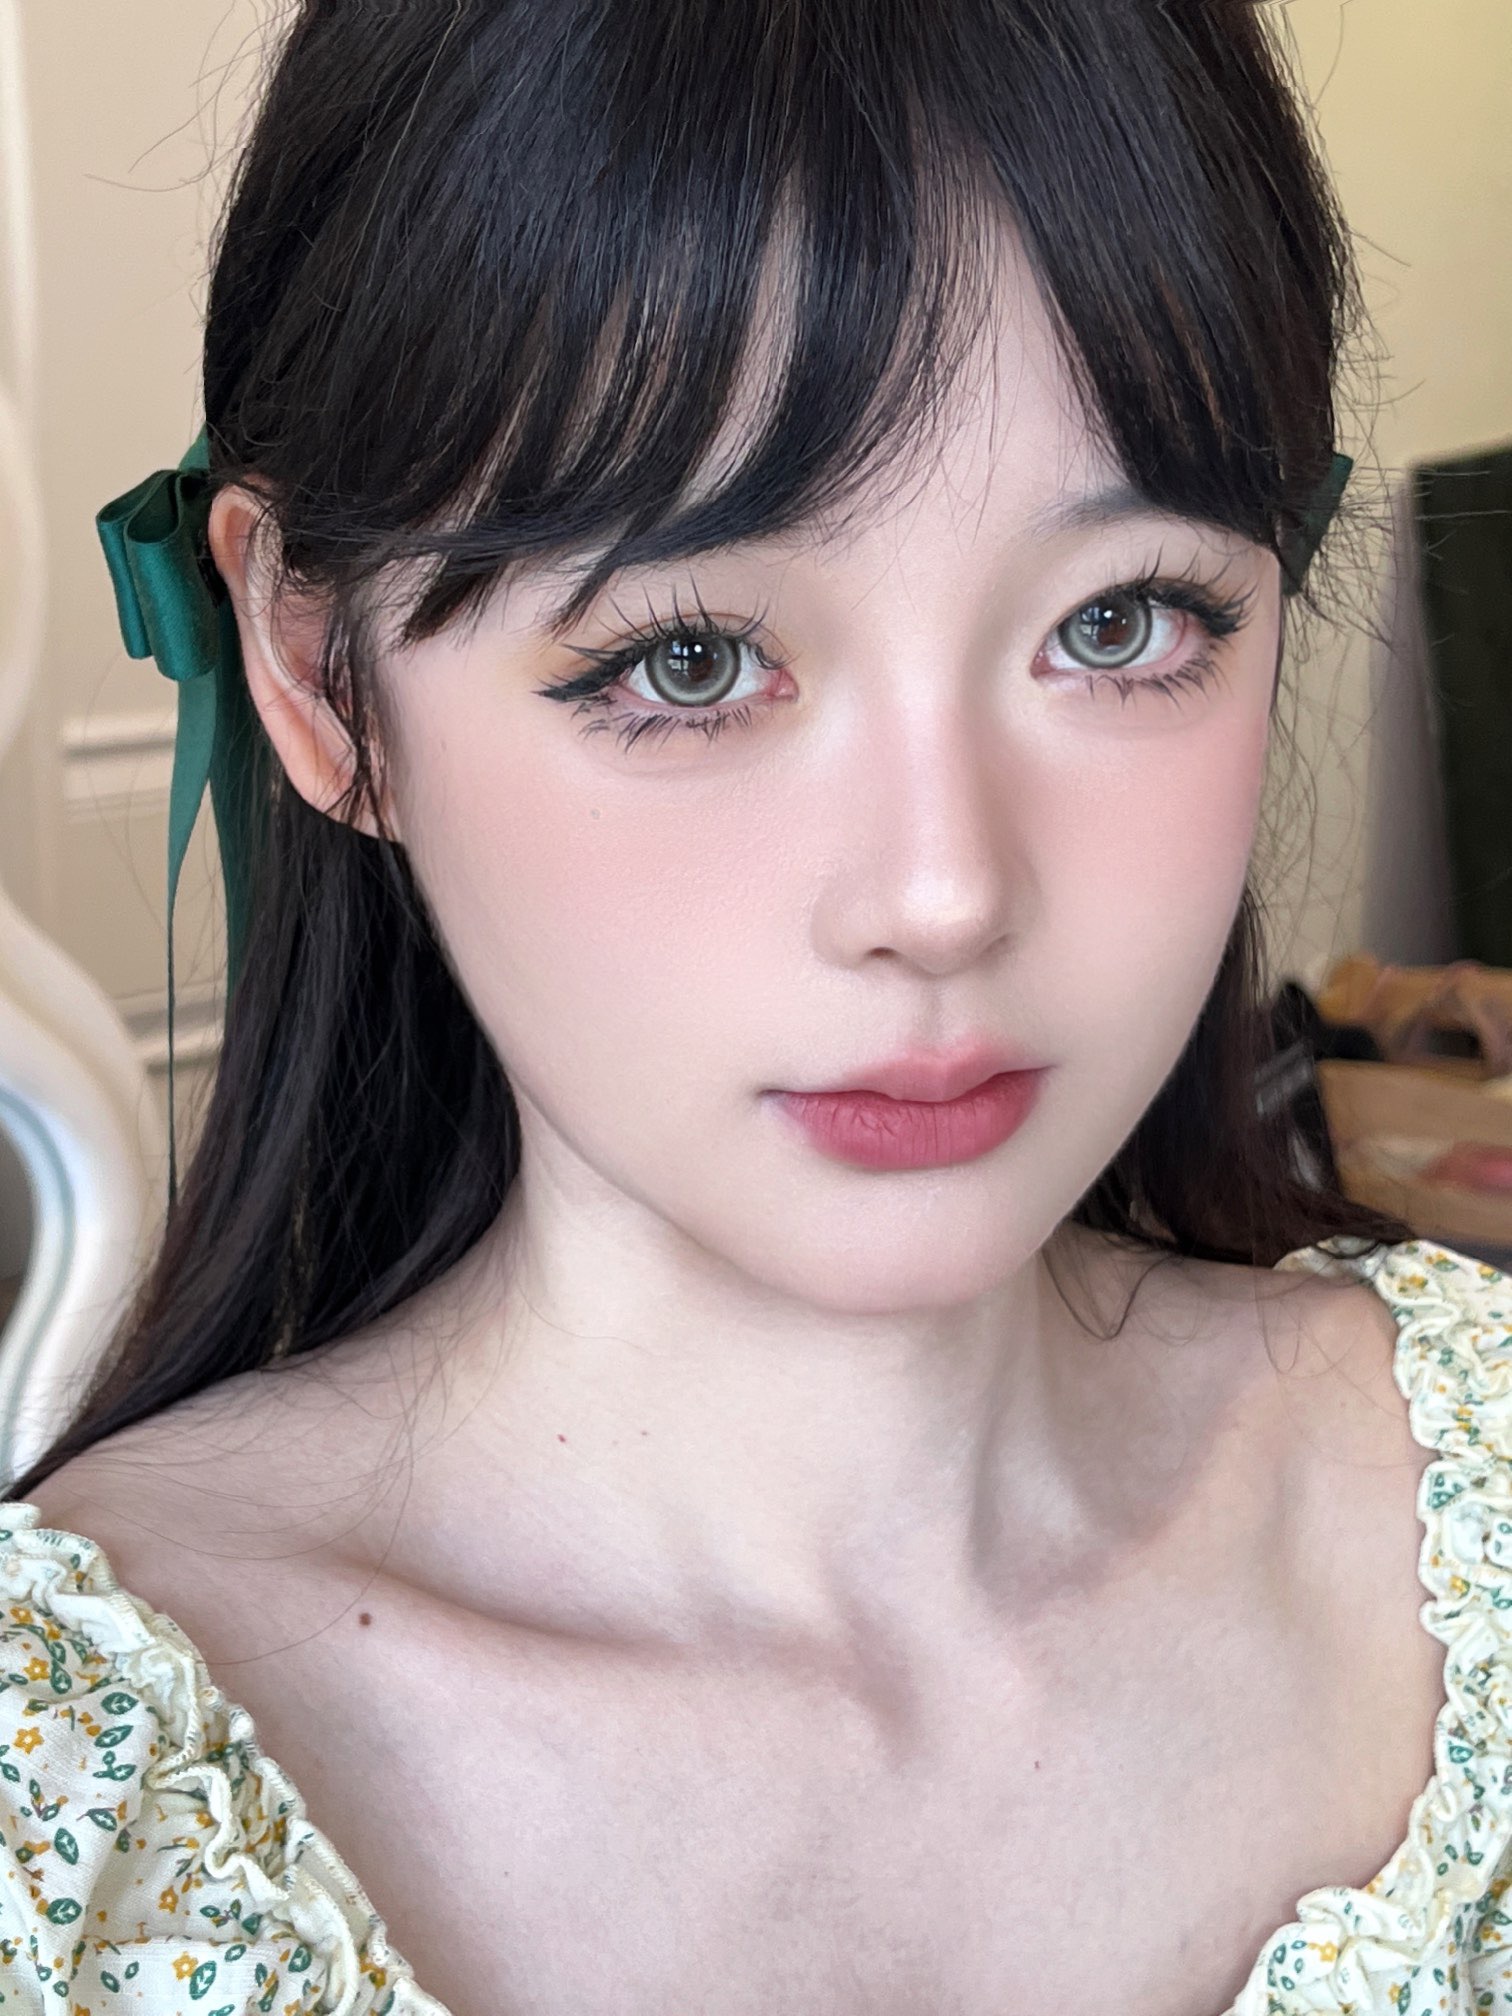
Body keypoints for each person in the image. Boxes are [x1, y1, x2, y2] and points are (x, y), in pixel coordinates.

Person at [0, 2, 1506, 2011]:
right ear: (313, 667)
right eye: (693, 658)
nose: (942, 893)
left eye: (1121, 620)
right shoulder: (66, 1816)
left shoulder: (1480, 1495)